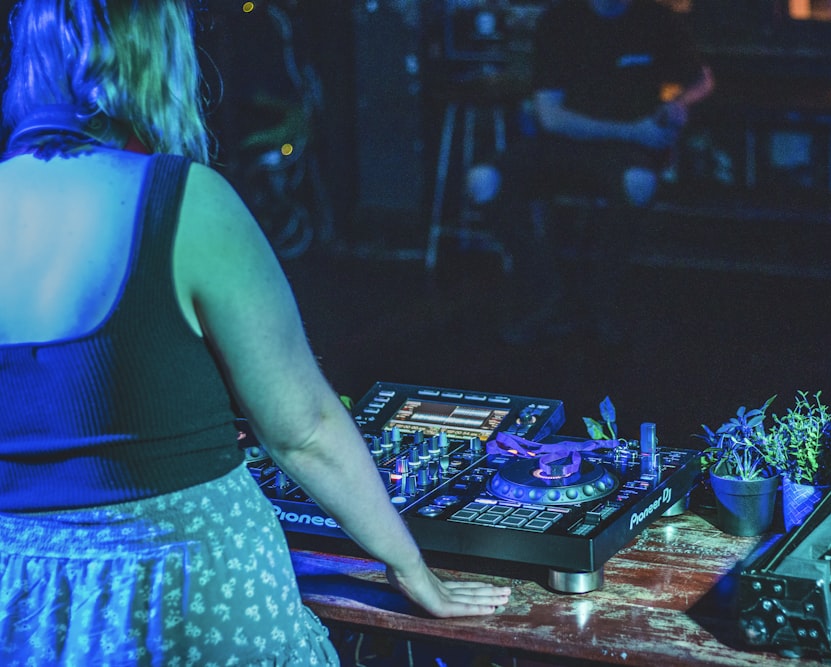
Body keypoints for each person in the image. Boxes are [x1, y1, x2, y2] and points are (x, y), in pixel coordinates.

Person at [0, 1, 510, 665]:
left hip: (27, 597)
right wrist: (410, 566)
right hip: (187, 589)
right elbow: (301, 427)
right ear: (154, 51)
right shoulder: (183, 200)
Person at [466, 0, 714, 345]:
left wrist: (679, 104)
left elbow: (701, 79)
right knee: (483, 180)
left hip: (625, 150)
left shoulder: (656, 19)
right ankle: (547, 288)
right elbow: (551, 116)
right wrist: (635, 131)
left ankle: (601, 298)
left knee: (638, 183)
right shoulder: (560, 21)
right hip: (568, 142)